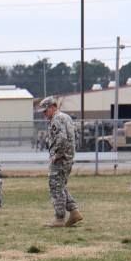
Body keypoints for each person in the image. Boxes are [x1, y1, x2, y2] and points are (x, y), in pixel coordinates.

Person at [38, 96, 82, 227]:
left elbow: (62, 138)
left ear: (53, 106)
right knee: (60, 186)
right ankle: (74, 211)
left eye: (45, 111)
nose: (44, 114)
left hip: (61, 159)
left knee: (55, 186)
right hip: (67, 158)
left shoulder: (56, 119)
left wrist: (57, 154)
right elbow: (75, 135)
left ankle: (59, 218)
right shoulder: (66, 117)